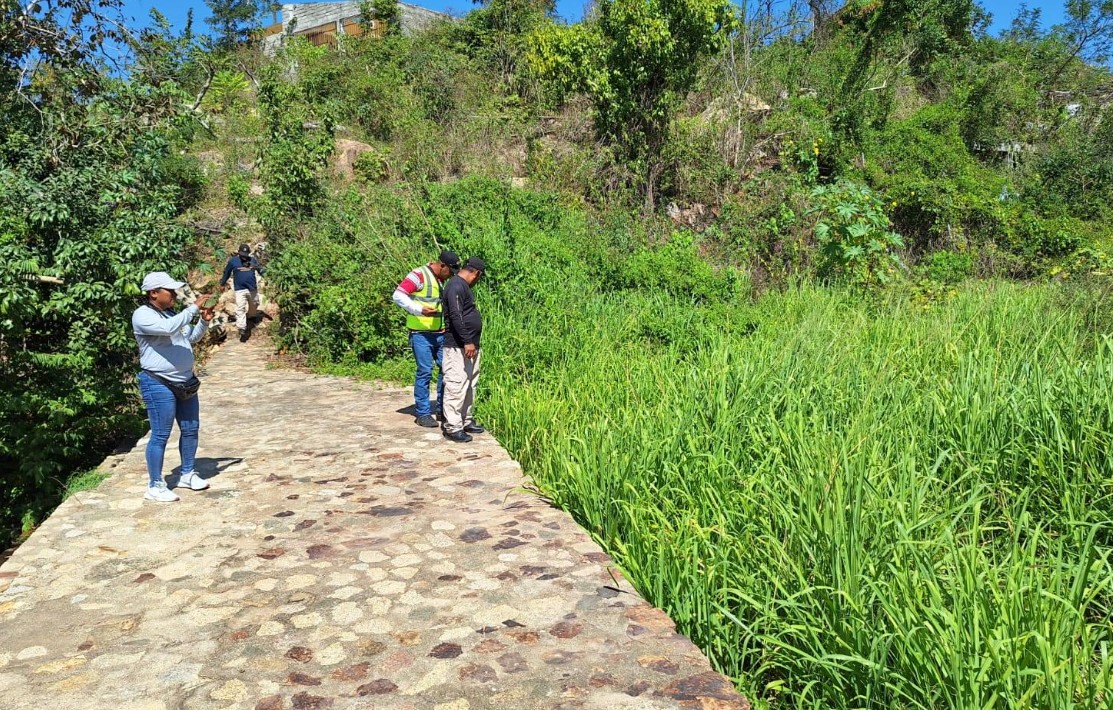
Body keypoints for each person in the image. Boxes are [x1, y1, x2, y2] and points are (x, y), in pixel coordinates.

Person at [133, 272, 215, 502]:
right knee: (160, 434)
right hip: (158, 382)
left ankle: (187, 473)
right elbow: (169, 329)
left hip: (184, 381)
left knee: (191, 428)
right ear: (154, 293)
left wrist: (204, 320)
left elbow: (190, 338)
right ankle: (155, 485)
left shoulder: (171, 314)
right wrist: (192, 309)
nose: (174, 295)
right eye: (170, 291)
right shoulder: (142, 315)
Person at [392, 250, 461, 427]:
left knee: (445, 370)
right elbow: (398, 295)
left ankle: (441, 409)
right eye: (449, 272)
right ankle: (422, 413)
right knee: (424, 371)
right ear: (442, 265)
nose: (450, 277)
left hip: (439, 333)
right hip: (420, 333)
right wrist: (418, 309)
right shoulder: (418, 275)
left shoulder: (440, 280)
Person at [441, 257, 486, 443]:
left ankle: (465, 419)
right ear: (476, 273)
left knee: (469, 385)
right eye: (479, 277)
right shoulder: (455, 286)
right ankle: (453, 426)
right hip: (457, 346)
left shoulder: (463, 287)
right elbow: (455, 314)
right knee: (456, 385)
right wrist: (467, 340)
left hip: (470, 347)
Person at [220, 243, 263, 342]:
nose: (244, 256)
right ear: (239, 253)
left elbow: (260, 270)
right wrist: (222, 283)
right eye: (242, 254)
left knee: (255, 303)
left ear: (248, 253)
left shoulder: (252, 260)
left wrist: (268, 275)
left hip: (252, 288)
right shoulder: (233, 262)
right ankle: (242, 328)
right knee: (240, 307)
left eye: (245, 254)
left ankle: (251, 316)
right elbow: (227, 272)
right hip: (240, 289)